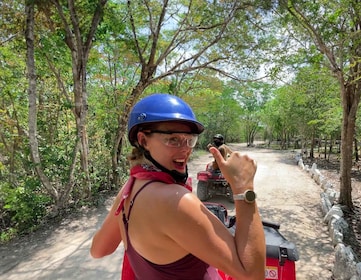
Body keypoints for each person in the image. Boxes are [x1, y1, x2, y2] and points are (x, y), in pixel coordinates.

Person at [90, 93, 265, 280]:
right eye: (172, 139)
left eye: (189, 139)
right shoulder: (176, 200)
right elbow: (252, 275)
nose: (185, 149)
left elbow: (99, 249)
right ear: (143, 141)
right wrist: (243, 187)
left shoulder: (130, 187)